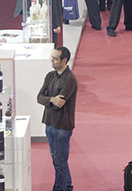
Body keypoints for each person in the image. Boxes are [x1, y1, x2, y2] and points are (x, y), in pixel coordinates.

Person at [37, 46, 78, 191]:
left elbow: (59, 104)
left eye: (55, 58)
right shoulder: (50, 76)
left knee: (60, 162)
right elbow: (39, 97)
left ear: (64, 60)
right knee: (57, 160)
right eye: (52, 57)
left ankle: (60, 188)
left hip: (62, 126)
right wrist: (51, 100)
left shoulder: (70, 80)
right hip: (49, 123)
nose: (51, 60)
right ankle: (67, 186)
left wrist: (50, 101)